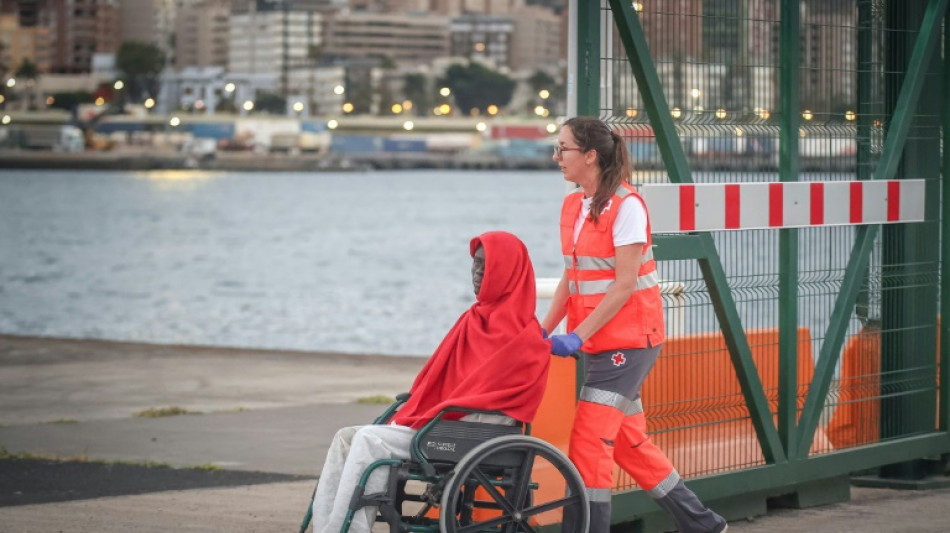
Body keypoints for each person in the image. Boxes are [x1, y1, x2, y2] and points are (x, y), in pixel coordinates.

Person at [542, 116, 728, 533]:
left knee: (589, 440)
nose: (556, 157)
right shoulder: (574, 205)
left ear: (590, 156)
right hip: (599, 341)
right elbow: (573, 277)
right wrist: (544, 328)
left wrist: (575, 335)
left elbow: (624, 285)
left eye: (563, 149)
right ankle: (704, 525)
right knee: (628, 442)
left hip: (629, 341)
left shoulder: (627, 207)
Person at [311, 230, 551, 533]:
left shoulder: (525, 337)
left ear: (505, 272)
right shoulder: (473, 319)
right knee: (345, 437)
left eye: (485, 266)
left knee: (369, 440)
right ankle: (327, 527)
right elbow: (440, 379)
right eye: (474, 264)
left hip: (471, 433)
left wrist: (441, 412)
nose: (476, 273)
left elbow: (503, 402)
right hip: (445, 423)